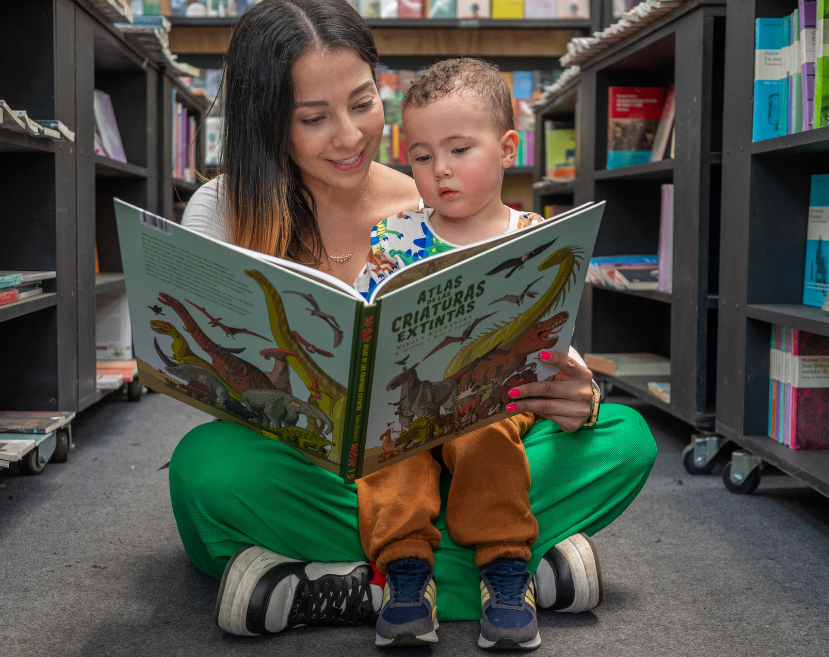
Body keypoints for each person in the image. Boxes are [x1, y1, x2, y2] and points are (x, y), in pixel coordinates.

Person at [172, 0, 657, 642]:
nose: (348, 136)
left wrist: (578, 395)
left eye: (363, 102)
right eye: (313, 118)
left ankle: (343, 586)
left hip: (471, 448)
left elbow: (532, 333)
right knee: (206, 472)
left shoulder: (428, 200)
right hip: (318, 464)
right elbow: (215, 392)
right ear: (269, 124)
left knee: (625, 438)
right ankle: (511, 575)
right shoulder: (224, 211)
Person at [351, 57, 569, 650]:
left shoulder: (534, 235)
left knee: (482, 430)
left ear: (506, 148)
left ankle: (504, 570)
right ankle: (405, 576)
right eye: (421, 157)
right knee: (391, 444)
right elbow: (369, 323)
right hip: (416, 399)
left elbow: (554, 336)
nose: (439, 171)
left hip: (494, 396)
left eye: (459, 150)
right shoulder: (396, 237)